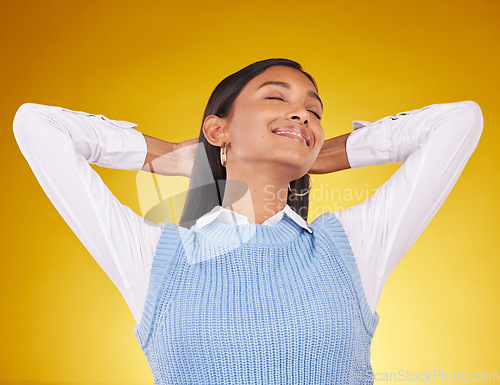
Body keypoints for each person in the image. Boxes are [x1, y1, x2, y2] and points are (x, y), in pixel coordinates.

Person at [13, 58, 483, 384]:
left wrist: (322, 153)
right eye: (277, 98)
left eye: (313, 111)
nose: (302, 112)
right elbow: (38, 126)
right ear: (219, 130)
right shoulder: (156, 257)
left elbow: (459, 122)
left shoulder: (352, 248)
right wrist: (187, 160)